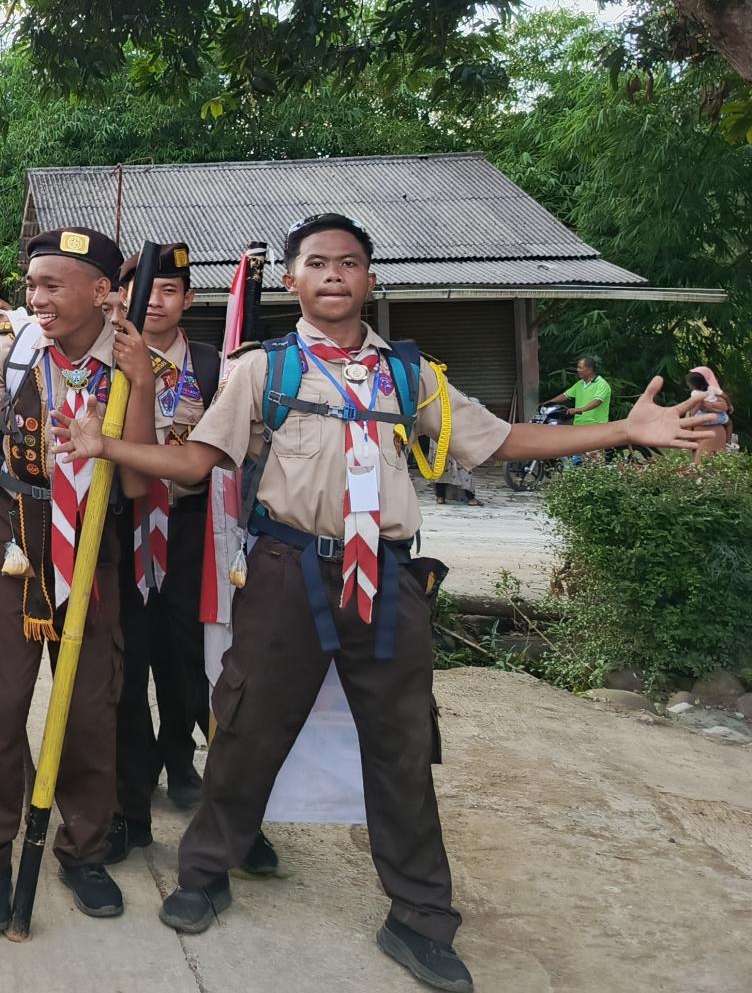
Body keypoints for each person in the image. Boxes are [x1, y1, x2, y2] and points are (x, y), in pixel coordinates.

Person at [65, 213, 710, 993]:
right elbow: (198, 461)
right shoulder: (261, 370)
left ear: (371, 280)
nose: (333, 274)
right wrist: (106, 446)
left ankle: (421, 917)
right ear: (292, 281)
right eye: (317, 263)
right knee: (247, 725)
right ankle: (204, 873)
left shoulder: (412, 376)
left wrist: (625, 431)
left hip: (390, 579)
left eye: (349, 262)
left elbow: (501, 440)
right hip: (287, 571)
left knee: (403, 746)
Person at [0, 226, 132, 932]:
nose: (36, 298)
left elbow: (141, 472)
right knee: (1, 703)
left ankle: (84, 850)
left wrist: (137, 384)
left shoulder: (128, 361)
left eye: (52, 285)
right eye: (31, 285)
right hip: (12, 534)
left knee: (88, 707)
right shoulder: (12, 349)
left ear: (101, 292)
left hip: (92, 542)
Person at [107, 245, 280, 875]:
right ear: (120, 298)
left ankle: (193, 775)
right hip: (121, 526)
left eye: (168, 290)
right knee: (125, 663)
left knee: (197, 661)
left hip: (193, 528)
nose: (154, 301)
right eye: (142, 290)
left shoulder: (216, 365)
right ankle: (128, 806)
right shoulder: (102, 357)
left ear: (189, 300)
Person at [545, 356, 612, 425]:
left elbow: (597, 402)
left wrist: (578, 410)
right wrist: (546, 403)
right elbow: (564, 396)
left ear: (590, 370)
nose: (578, 370)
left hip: (596, 425)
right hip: (578, 425)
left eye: (580, 368)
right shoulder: (579, 384)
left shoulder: (601, 384)